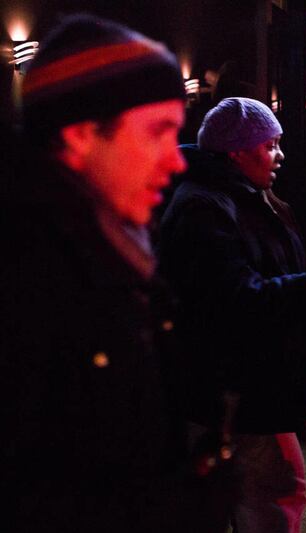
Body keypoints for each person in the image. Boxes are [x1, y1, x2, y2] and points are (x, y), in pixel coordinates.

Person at [0, 14, 217, 533]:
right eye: (157, 133)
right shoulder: (26, 278)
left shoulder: (115, 252)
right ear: (80, 136)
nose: (177, 162)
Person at [157, 97, 306, 533]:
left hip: (248, 388)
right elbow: (234, 300)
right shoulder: (205, 209)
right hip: (235, 390)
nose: (280, 155)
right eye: (271, 145)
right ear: (237, 151)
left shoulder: (244, 197)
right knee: (273, 496)